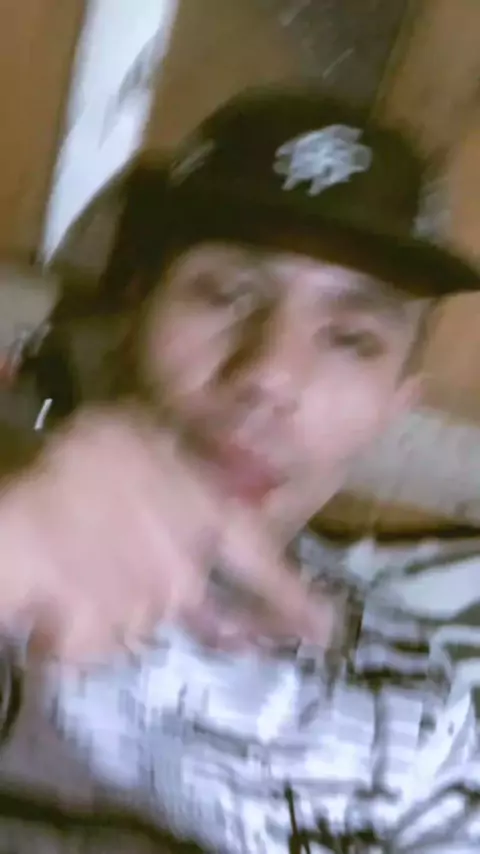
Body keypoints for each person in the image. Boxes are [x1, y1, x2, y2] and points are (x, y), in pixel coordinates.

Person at [1, 88, 480, 852]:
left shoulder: (417, 705)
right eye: (225, 294)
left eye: (351, 338)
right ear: (132, 317)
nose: (269, 375)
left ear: (395, 404)